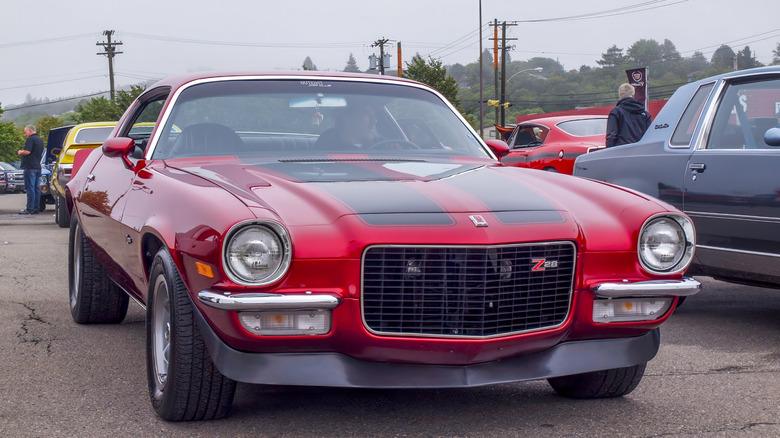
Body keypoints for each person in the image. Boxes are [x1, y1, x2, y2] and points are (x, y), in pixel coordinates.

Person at [605, 83, 651, 147]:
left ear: (620, 96)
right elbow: (649, 136)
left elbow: (611, 136)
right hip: (641, 151)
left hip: (622, 152)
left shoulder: (616, 112)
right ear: (633, 95)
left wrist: (608, 153)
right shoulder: (645, 114)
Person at [18, 125, 44, 214]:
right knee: (37, 189)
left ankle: (30, 209)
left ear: (30, 131)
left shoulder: (31, 139)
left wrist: (21, 152)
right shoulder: (40, 140)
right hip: (38, 167)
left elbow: (27, 152)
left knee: (30, 189)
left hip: (30, 167)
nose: (25, 135)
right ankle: (36, 208)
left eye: (25, 132)